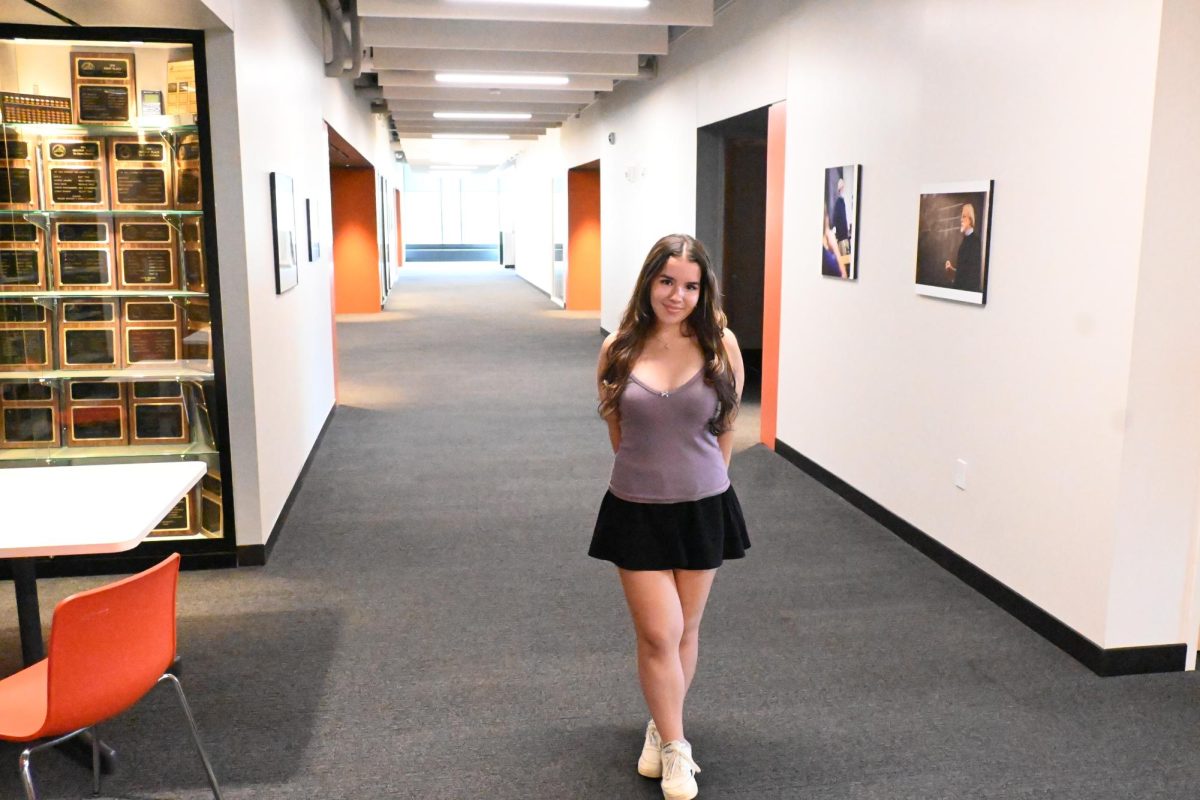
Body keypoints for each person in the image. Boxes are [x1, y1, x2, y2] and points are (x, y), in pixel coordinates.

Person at [589, 233, 750, 800]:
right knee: (660, 632)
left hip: (704, 506)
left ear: (702, 290)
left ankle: (663, 726)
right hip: (636, 508)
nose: (676, 295)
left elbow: (726, 427)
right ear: (649, 281)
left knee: (686, 630)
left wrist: (706, 484)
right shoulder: (620, 347)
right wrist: (652, 478)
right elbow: (620, 432)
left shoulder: (719, 345)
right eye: (666, 282)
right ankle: (679, 752)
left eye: (689, 285)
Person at [944, 202, 982, 292]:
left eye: (964, 216)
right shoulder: (965, 240)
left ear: (970, 219)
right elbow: (964, 271)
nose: (961, 220)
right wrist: (951, 270)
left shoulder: (975, 242)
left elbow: (971, 277)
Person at [831, 177, 850, 247]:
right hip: (842, 238)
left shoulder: (842, 201)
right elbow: (835, 220)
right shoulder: (839, 202)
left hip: (844, 236)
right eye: (843, 187)